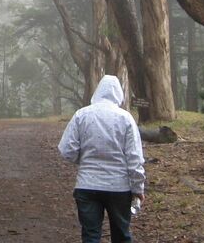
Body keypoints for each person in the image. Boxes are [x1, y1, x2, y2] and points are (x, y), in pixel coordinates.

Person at [58, 75, 146, 243]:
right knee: (121, 235)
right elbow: (134, 158)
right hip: (119, 188)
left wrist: (84, 160)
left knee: (90, 236)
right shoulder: (125, 118)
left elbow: (67, 149)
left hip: (87, 185)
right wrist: (138, 188)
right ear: (119, 94)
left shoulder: (81, 115)